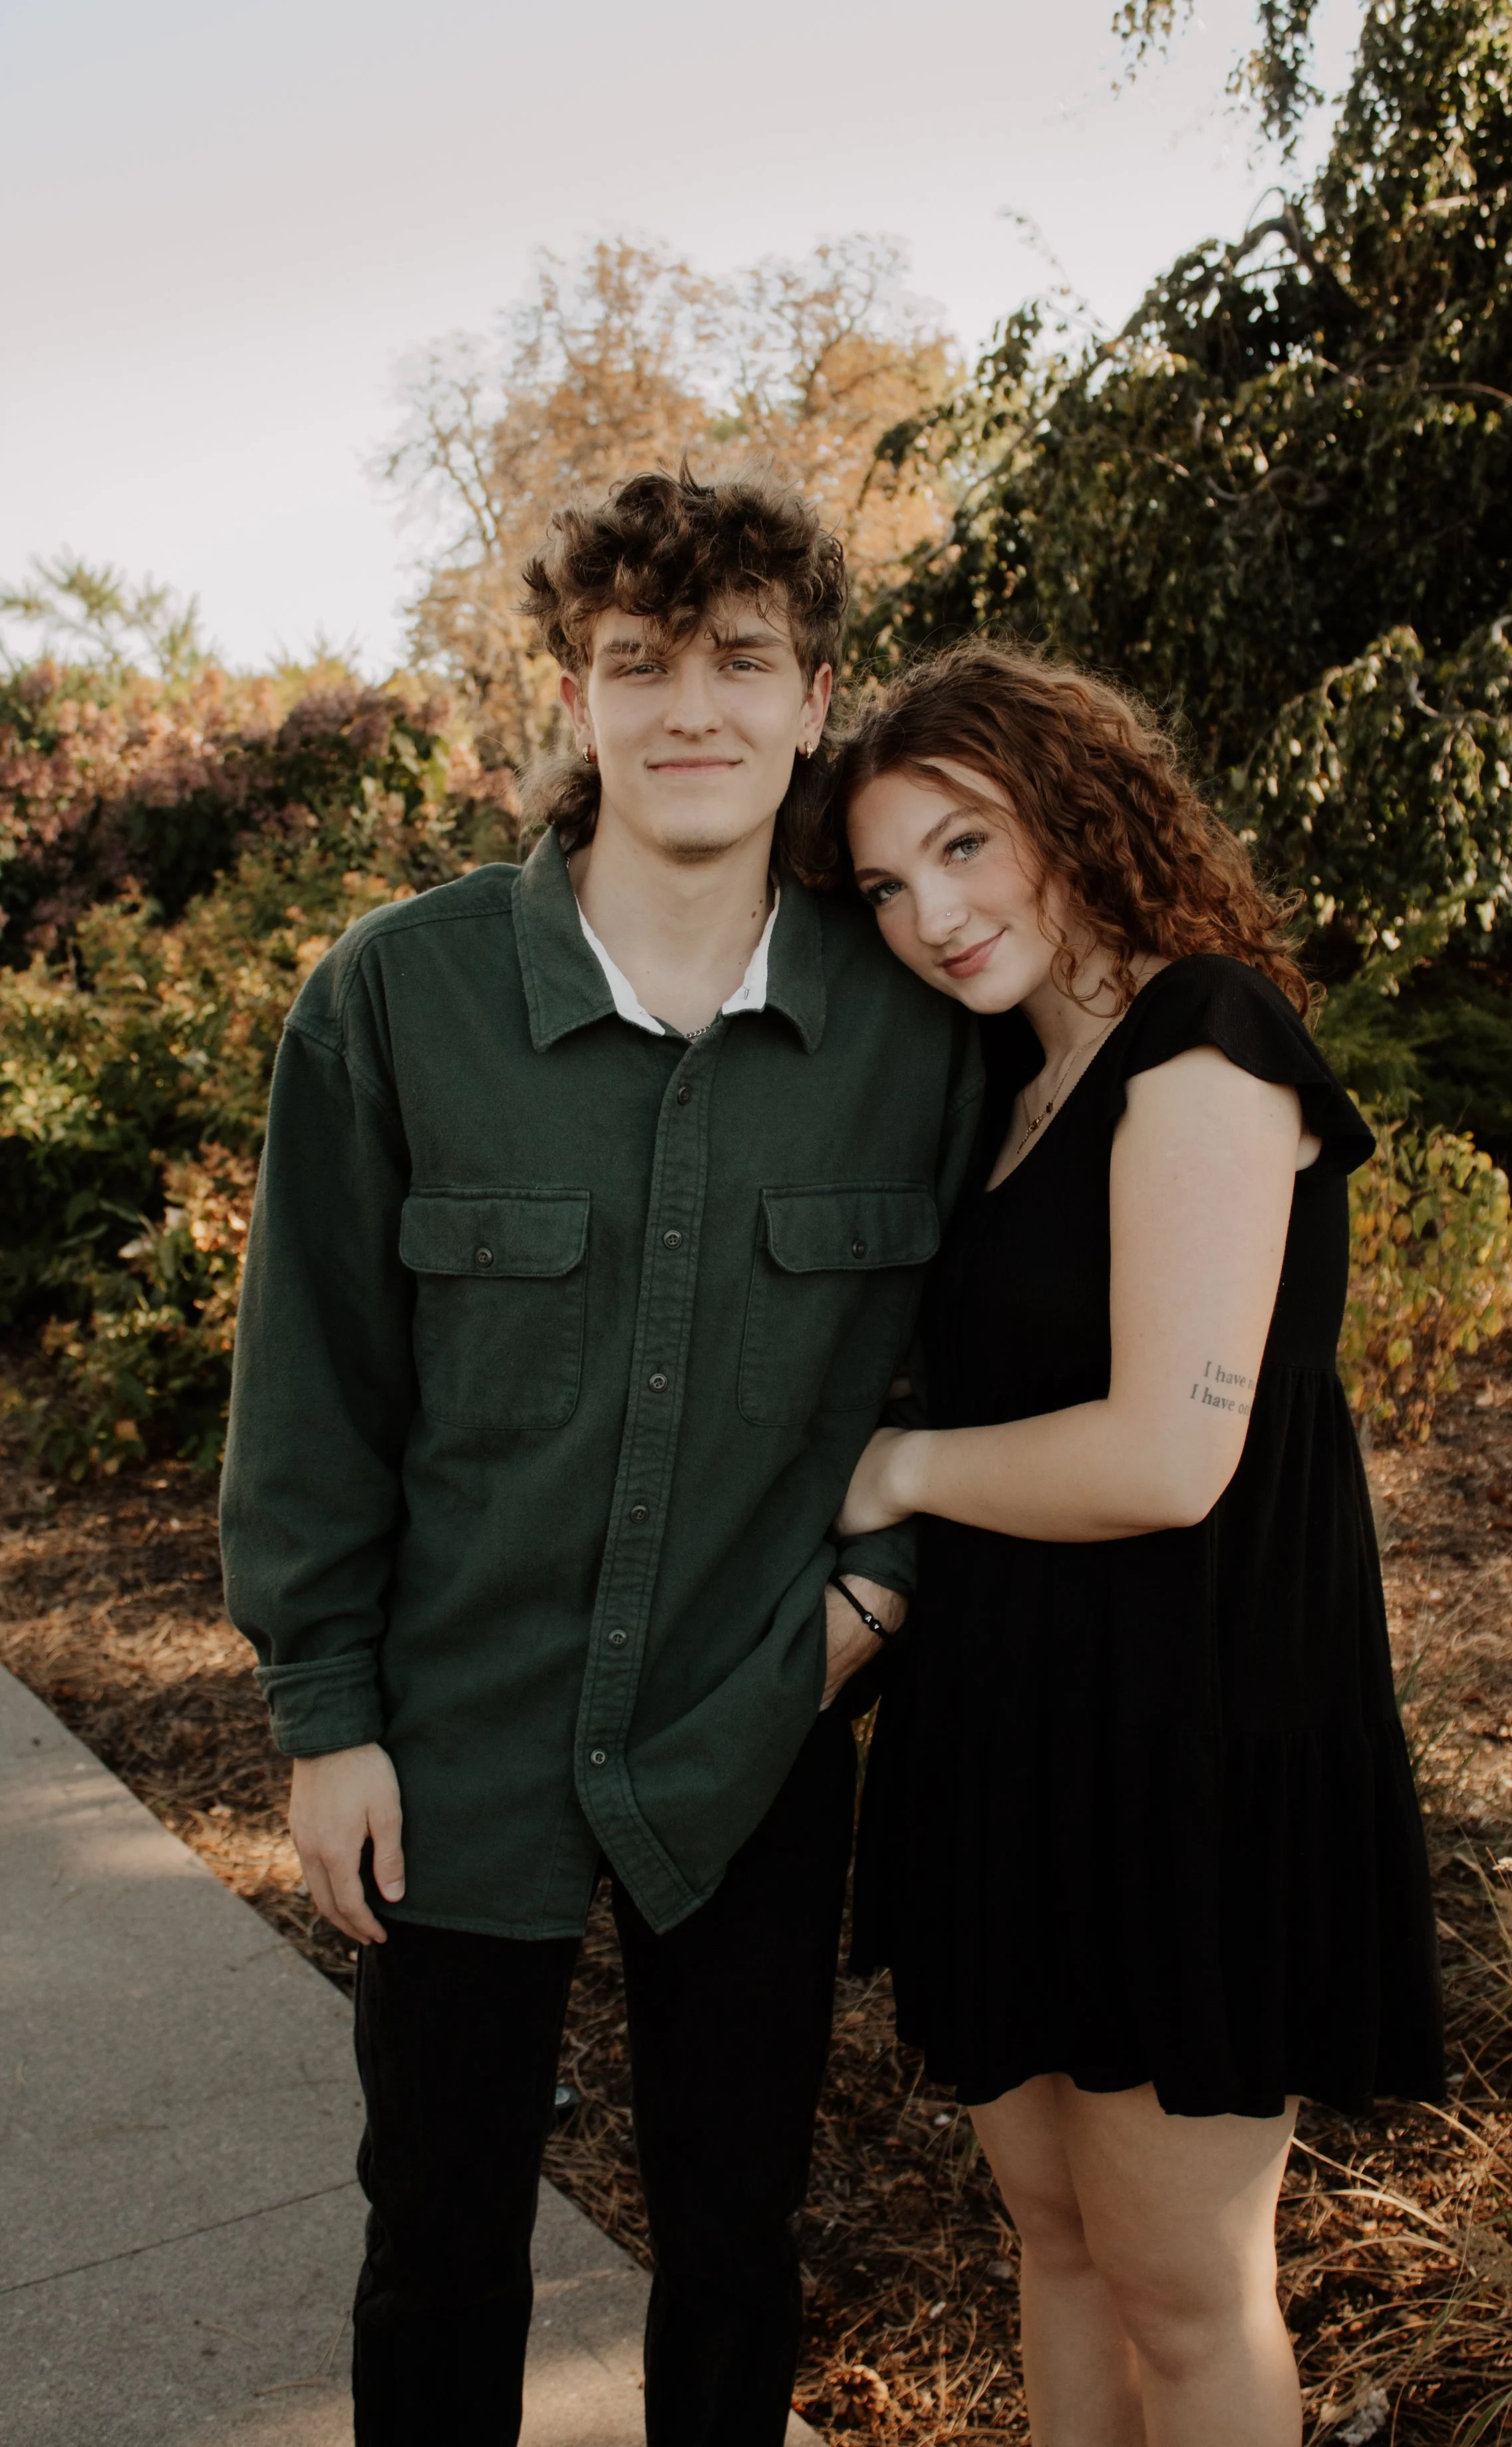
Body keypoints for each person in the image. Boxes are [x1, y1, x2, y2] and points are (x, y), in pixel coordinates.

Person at [219, 466, 982, 2447]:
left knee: (736, 2235)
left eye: (740, 659)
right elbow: (312, 1386)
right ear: (576, 698)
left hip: (753, 1726)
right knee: (439, 2239)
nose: (690, 709)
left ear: (817, 694)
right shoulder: (395, 998)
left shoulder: (914, 1028)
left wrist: (855, 1624)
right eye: (637, 663)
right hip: (450, 1737)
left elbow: (961, 1372)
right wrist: (327, 1713)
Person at [818, 641, 1444, 2447]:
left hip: (1188, 1738)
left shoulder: (1206, 1033)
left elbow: (1171, 1457)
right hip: (1009, 1728)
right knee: (1056, 2242)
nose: (926, 912)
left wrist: (895, 1472)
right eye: (882, 882)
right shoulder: (1005, 1096)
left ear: (1069, 812)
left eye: (961, 843)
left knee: (1182, 2291)